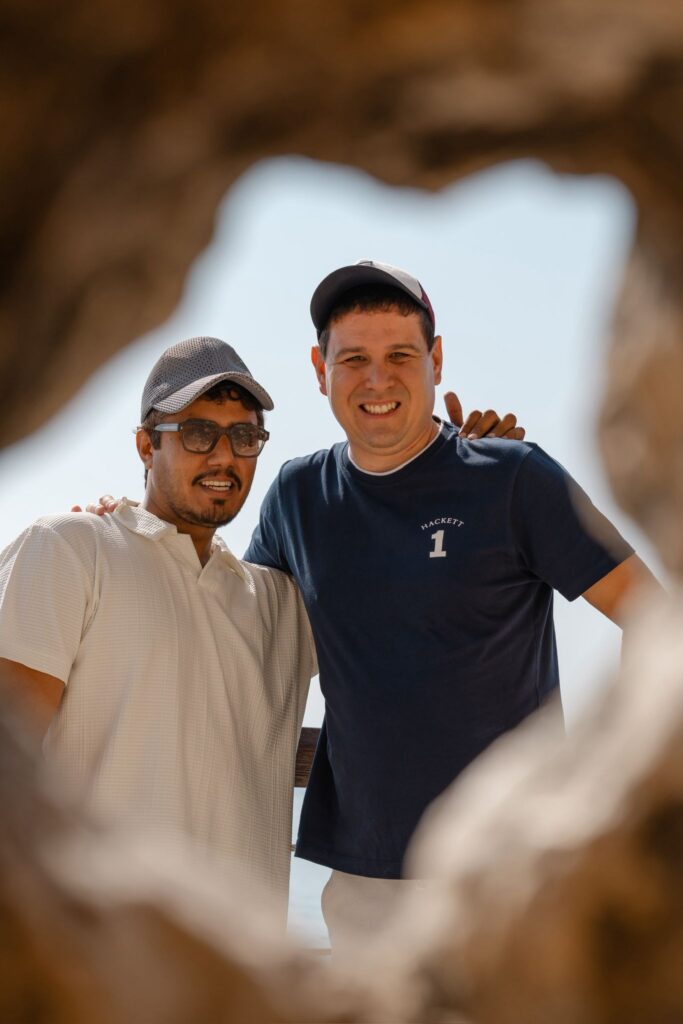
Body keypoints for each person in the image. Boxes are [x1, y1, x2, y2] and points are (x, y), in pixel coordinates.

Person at [242, 259, 658, 949]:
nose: (377, 379)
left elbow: (651, 620)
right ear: (320, 370)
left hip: (507, 870)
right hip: (363, 875)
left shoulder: (514, 477)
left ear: (435, 361)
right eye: (354, 360)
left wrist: (614, 781)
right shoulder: (296, 497)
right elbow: (229, 627)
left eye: (400, 355)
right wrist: (123, 527)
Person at [0, 337, 317, 916]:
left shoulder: (283, 604)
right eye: (198, 433)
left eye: (244, 437)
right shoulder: (71, 549)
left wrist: (467, 469)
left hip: (246, 984)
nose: (224, 456)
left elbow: (408, 601)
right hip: (94, 968)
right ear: (146, 444)